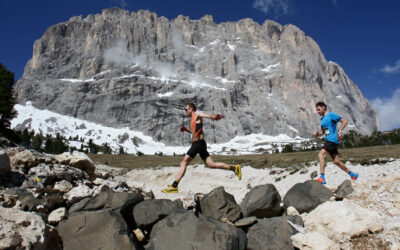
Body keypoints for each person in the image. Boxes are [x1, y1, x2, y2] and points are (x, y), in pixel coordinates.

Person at [161, 102, 241, 193]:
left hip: (198, 143)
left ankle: (174, 186)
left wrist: (214, 117)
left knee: (184, 162)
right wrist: (186, 130)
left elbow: (206, 115)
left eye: (186, 109)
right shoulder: (193, 119)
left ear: (191, 109)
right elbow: (193, 131)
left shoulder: (197, 114)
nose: (185, 111)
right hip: (200, 143)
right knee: (211, 164)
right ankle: (234, 168)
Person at [313, 101, 358, 184]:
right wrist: (317, 134)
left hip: (332, 140)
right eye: (317, 110)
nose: (317, 111)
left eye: (318, 109)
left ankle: (322, 177)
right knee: (336, 161)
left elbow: (344, 121)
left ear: (324, 107)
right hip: (329, 140)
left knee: (321, 155)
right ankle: (352, 174)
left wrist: (339, 131)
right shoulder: (322, 119)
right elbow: (323, 131)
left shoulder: (331, 115)